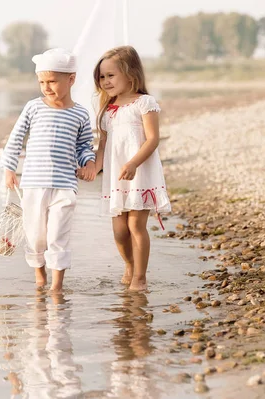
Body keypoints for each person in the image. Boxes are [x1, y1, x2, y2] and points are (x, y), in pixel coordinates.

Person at [1, 48, 96, 292]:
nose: (46, 87)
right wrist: (9, 169)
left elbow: (84, 145)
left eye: (52, 81)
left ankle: (56, 287)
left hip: (65, 185)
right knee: (35, 235)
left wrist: (89, 162)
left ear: (71, 79)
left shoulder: (80, 113)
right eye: (42, 82)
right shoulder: (33, 108)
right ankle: (39, 278)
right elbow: (15, 139)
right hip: (33, 183)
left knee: (58, 235)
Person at [78, 46, 171, 291]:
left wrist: (133, 163)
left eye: (111, 75)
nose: (105, 81)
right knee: (119, 231)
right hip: (116, 177)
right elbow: (104, 145)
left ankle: (140, 277)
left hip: (139, 173)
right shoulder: (108, 109)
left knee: (135, 226)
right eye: (102, 77)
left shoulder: (145, 103)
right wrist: (93, 167)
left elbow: (152, 139)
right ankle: (129, 264)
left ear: (130, 74)